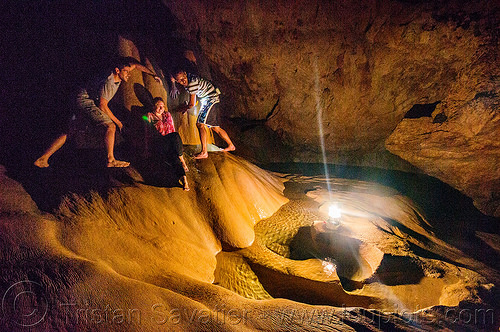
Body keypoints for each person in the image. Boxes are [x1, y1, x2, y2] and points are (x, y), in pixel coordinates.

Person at [34, 58, 161, 168]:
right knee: (110, 126)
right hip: (84, 100)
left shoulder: (121, 72)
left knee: (70, 131)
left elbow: (135, 64)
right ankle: (111, 160)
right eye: (126, 72)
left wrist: (153, 74)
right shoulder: (109, 83)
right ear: (117, 70)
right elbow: (102, 106)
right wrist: (118, 123)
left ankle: (43, 158)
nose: (129, 74)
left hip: (80, 98)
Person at [173, 69, 235, 159]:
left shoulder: (191, 84)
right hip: (211, 98)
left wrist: (184, 108)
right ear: (177, 81)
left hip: (210, 99)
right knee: (215, 127)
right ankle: (231, 145)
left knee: (200, 124)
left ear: (186, 74)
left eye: (184, 78)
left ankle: (204, 152)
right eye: (180, 80)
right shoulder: (189, 77)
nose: (183, 81)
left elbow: (192, 104)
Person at [145, 97, 189, 190]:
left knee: (174, 157)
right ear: (153, 106)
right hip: (158, 143)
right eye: (158, 106)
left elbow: (172, 129)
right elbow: (147, 133)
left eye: (163, 106)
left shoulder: (167, 115)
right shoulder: (149, 116)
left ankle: (184, 181)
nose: (161, 108)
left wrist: (175, 145)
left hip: (168, 143)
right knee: (175, 136)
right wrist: (147, 150)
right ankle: (183, 160)